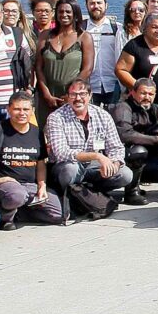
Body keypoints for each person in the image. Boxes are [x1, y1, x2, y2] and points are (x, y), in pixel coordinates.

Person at [0, 91, 63, 228]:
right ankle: (3, 216)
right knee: (17, 195)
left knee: (57, 214)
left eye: (26, 109)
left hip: (29, 186)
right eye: (17, 109)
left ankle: (17, 212)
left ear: (32, 111)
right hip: (4, 185)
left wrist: (42, 185)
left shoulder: (36, 132)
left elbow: (40, 163)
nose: (22, 113)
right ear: (8, 109)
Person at [45, 79, 133, 215]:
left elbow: (116, 147)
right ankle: (76, 194)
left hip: (93, 167)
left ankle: (88, 194)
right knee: (70, 170)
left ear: (90, 96)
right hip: (68, 165)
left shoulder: (103, 115)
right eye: (73, 95)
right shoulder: (56, 118)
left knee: (125, 174)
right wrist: (97, 156)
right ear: (67, 97)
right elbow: (60, 153)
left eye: (82, 94)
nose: (78, 98)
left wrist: (114, 164)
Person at [109, 78, 158, 206]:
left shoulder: (154, 108)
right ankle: (131, 192)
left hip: (150, 152)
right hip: (123, 154)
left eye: (151, 94)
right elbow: (125, 135)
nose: (147, 97)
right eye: (143, 93)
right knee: (138, 151)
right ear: (133, 93)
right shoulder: (123, 107)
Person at [83, 0, 124, 107]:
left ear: (106, 5)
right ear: (86, 5)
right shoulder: (81, 29)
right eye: (92, 3)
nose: (96, 6)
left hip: (114, 85)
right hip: (89, 87)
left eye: (99, 3)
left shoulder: (117, 29)